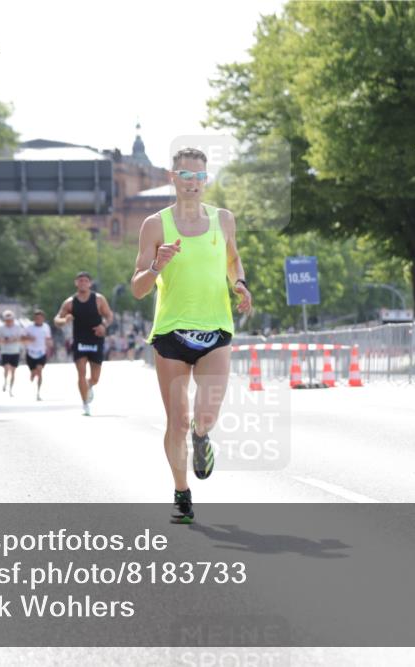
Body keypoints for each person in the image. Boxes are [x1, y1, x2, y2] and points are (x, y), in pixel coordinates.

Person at [131, 147, 252, 524]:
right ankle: (182, 493)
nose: (193, 183)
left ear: (206, 180)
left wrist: (240, 284)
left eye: (200, 176)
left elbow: (232, 259)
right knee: (177, 421)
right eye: (186, 175)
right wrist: (156, 265)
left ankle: (203, 440)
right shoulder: (155, 225)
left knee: (205, 416)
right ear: (173, 177)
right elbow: (138, 288)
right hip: (171, 332)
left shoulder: (223, 220)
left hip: (216, 327)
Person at [54, 271, 113, 416]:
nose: (83, 283)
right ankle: (85, 404)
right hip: (79, 340)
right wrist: (64, 320)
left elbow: (109, 315)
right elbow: (57, 320)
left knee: (95, 377)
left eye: (85, 281)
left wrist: (103, 326)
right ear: (76, 283)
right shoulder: (70, 302)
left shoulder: (98, 299)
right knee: (81, 372)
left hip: (96, 339)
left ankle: (89, 385)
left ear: (90, 283)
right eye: (80, 281)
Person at [22, 309, 53, 401]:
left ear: (43, 318)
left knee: (40, 371)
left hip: (41, 352)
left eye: (40, 318)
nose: (38, 319)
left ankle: (38, 392)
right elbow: (22, 337)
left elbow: (48, 338)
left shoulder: (46, 327)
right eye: (36, 318)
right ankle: (32, 374)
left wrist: (50, 346)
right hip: (31, 352)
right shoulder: (29, 327)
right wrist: (29, 338)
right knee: (34, 372)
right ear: (34, 319)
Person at [0, 310, 23, 396]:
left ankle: (11, 389)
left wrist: (11, 339)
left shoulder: (17, 327)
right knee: (6, 368)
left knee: (13, 371)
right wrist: (6, 340)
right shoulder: (1, 328)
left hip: (15, 351)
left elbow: (20, 338)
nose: (8, 321)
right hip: (5, 351)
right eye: (7, 320)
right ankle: (5, 382)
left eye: (10, 319)